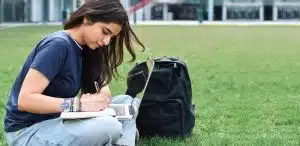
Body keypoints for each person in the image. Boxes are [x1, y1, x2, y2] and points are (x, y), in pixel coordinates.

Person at [4, 0, 145, 145]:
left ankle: (122, 142)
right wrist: (78, 105)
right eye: (105, 32)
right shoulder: (58, 45)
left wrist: (102, 96)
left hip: (59, 121)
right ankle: (121, 136)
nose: (107, 41)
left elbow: (102, 86)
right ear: (87, 18)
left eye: (112, 37)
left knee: (127, 102)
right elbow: (25, 100)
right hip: (27, 132)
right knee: (110, 126)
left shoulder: (87, 48)